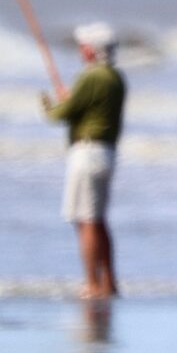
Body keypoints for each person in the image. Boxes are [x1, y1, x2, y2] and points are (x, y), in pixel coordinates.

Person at [42, 22, 126, 298]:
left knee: (85, 219)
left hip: (87, 152)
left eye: (84, 46)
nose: (81, 50)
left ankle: (91, 283)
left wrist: (52, 102)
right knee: (98, 219)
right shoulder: (115, 77)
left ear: (92, 50)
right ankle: (109, 281)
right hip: (107, 153)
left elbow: (61, 114)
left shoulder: (92, 77)